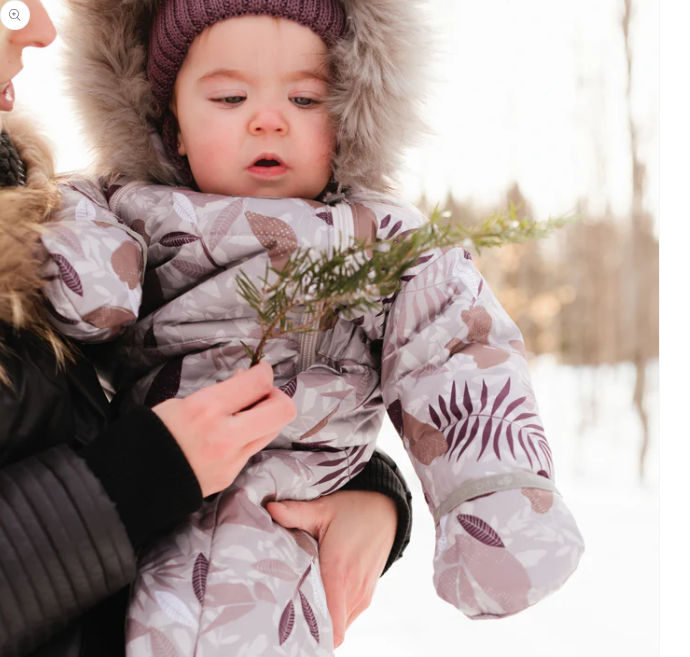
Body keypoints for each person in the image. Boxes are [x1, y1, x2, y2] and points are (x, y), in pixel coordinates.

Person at [43, 0, 585, 654]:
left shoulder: (381, 239)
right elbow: (75, 268)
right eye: (230, 96)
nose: (268, 119)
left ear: (349, 120)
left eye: (305, 99)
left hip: (294, 515)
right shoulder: (120, 208)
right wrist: (79, 255)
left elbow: (455, 345)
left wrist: (495, 494)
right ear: (172, 126)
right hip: (149, 508)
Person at [0, 2, 414, 655]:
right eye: (6, 6)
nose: (39, 29)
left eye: (307, 97)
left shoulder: (43, 211)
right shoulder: (89, 218)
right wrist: (131, 481)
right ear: (175, 125)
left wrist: (363, 488)